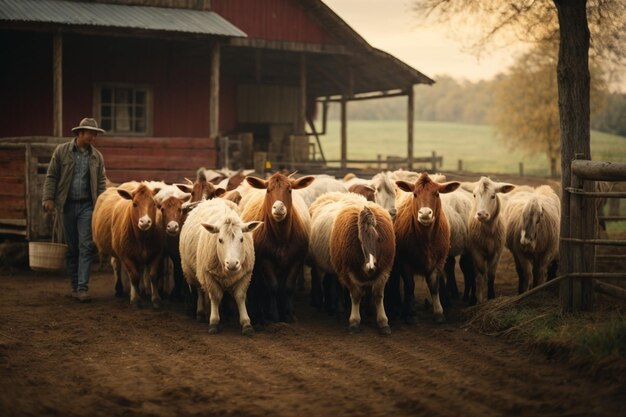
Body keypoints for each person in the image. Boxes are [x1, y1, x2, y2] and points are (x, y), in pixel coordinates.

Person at [43, 118, 107, 302]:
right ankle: (74, 284)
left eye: (95, 134)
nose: (94, 137)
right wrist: (48, 198)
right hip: (67, 205)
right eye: (91, 133)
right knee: (72, 248)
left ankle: (82, 288)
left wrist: (101, 204)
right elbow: (52, 176)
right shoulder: (62, 152)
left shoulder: (97, 157)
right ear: (79, 133)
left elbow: (101, 182)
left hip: (87, 206)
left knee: (86, 246)